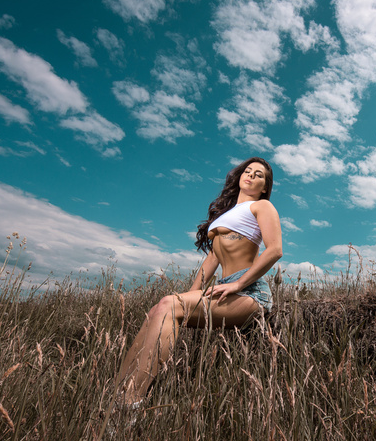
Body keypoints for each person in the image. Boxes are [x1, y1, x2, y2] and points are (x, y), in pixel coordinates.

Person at [115, 157, 282, 406]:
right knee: (157, 310)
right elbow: (212, 259)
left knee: (169, 305)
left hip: (249, 290)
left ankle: (131, 404)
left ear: (265, 187)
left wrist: (238, 284)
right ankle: (116, 397)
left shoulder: (262, 207)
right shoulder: (227, 214)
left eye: (259, 175)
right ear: (239, 177)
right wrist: (190, 295)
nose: (250, 175)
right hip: (226, 285)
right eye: (247, 171)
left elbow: (275, 250)